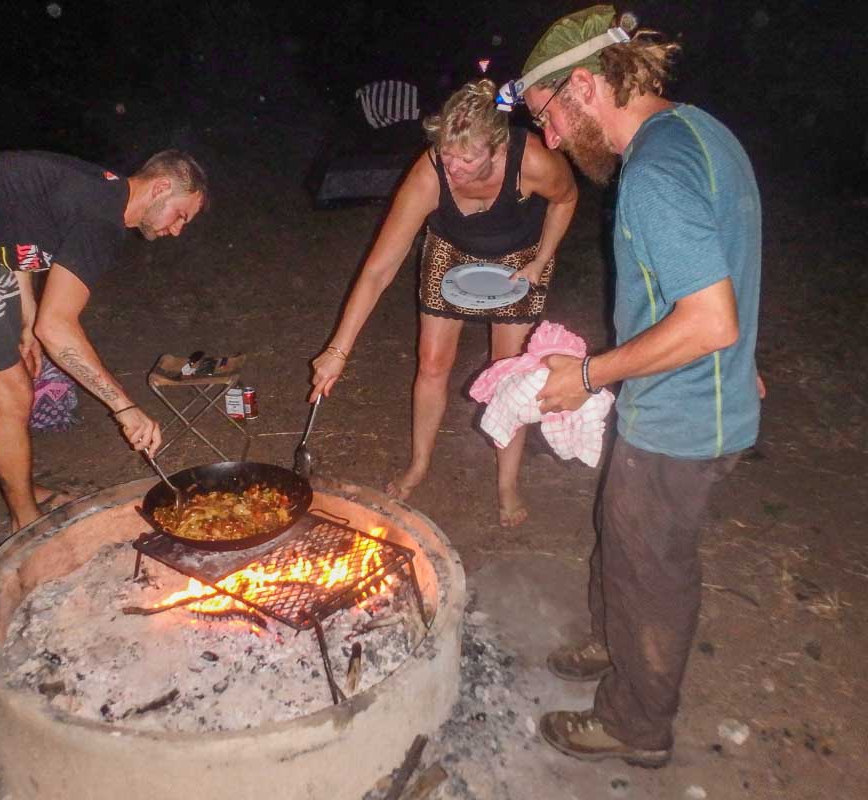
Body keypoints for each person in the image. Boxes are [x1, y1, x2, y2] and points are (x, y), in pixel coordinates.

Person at [510, 5, 763, 767]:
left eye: (548, 114)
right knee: (619, 543)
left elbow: (709, 320)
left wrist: (586, 376)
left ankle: (636, 725)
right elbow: (730, 262)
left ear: (586, 86)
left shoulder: (653, 171)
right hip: (692, 396)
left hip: (683, 418)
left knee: (650, 570)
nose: (549, 139)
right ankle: (609, 640)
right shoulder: (701, 132)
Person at [0, 149, 208, 532]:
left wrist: (26, 323)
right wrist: (124, 408)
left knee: (20, 376)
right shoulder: (99, 220)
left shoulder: (104, 192)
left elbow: (19, 237)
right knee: (12, 394)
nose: (177, 230)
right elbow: (57, 328)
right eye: (181, 215)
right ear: (160, 187)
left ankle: (25, 488)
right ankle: (23, 520)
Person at [309, 78, 577, 526]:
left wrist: (543, 258)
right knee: (432, 363)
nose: (452, 167)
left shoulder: (532, 159)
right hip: (450, 251)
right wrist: (338, 350)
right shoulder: (430, 172)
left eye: (466, 159)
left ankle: (507, 483)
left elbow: (567, 198)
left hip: (519, 257)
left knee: (509, 373)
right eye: (447, 154)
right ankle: (419, 463)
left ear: (496, 147)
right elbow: (379, 269)